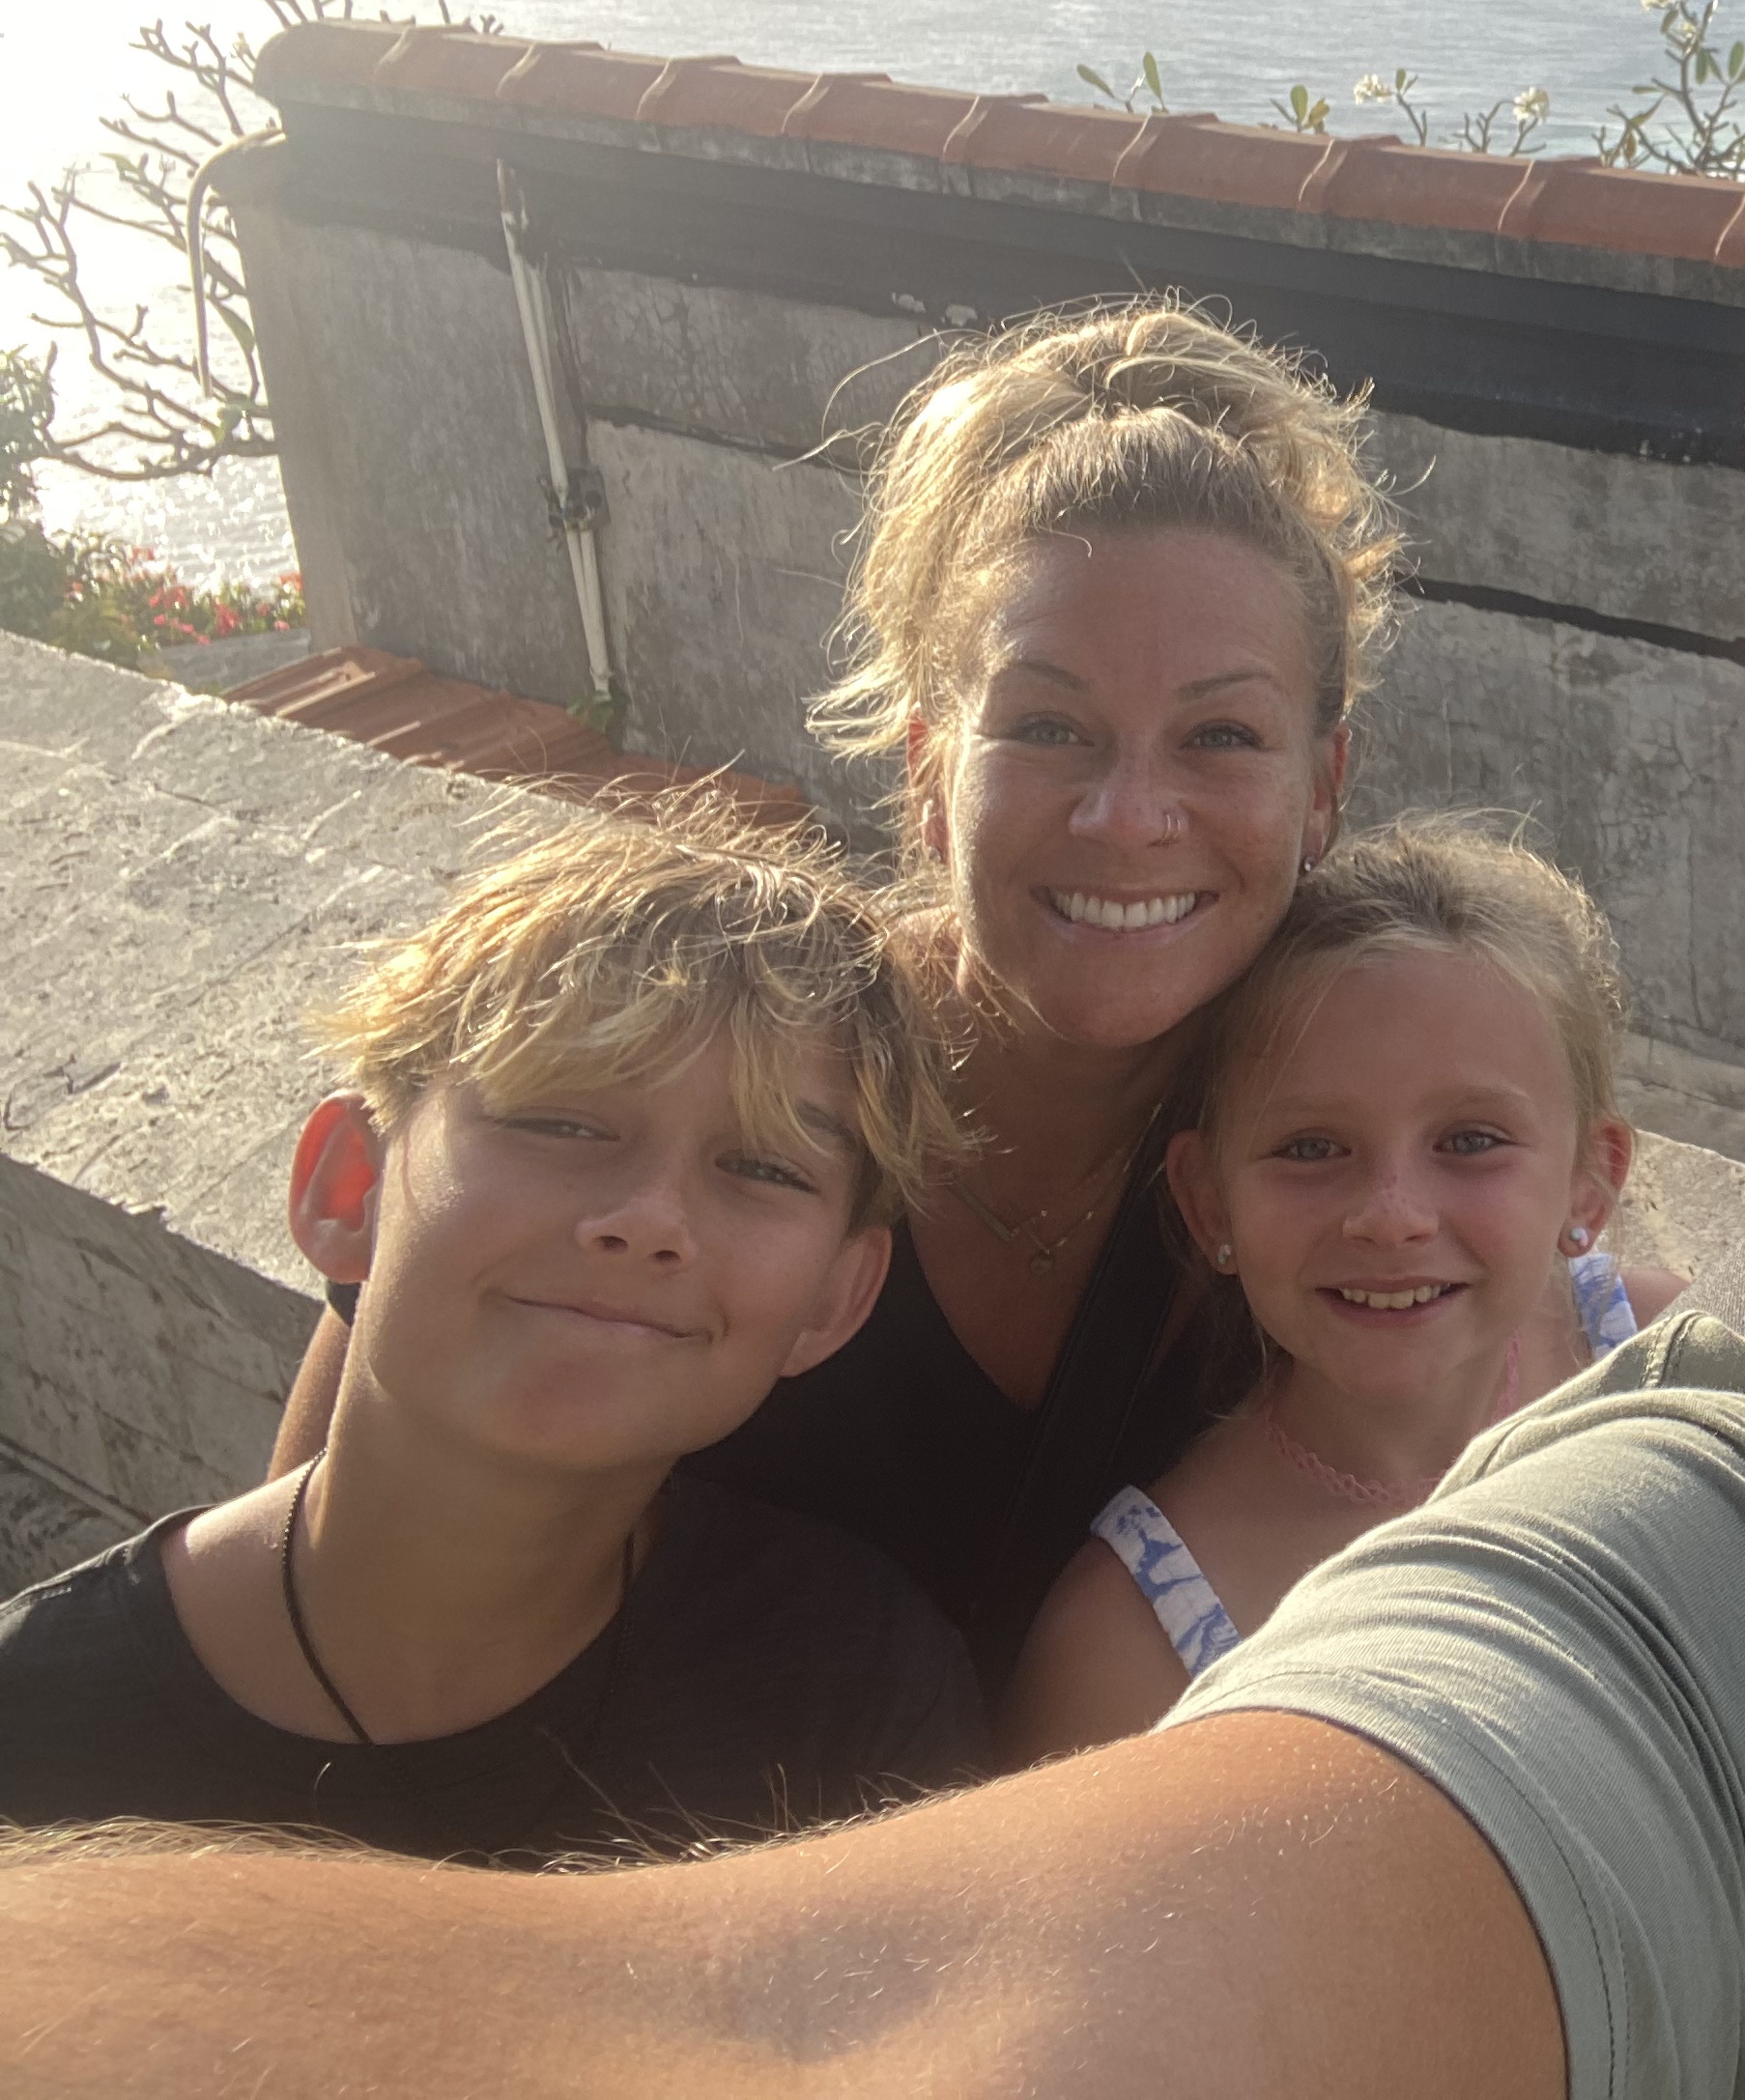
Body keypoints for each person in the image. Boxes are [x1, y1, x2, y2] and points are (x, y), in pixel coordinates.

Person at [0, 121, 1745, 2097]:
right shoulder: (754, 1111)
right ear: (921, 750)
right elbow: (399, 1505)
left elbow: (1593, 1329)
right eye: (1046, 729)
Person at [265, 300, 1405, 1684]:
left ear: (1323, 789)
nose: (1127, 815)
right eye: (1047, 726)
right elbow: (327, 1575)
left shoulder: (1366, 1150)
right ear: (928, 771)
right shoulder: (721, 1071)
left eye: (1220, 736)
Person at [0, 807, 986, 1863]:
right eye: (559, 1121)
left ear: (836, 1297)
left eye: (763, 1168)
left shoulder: (853, 1698)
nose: (650, 1218)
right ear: (351, 1187)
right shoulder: (37, 1731)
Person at [1000, 817, 1683, 1759]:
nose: (1391, 1217)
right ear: (1209, 1203)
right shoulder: (1135, 1644)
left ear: (1589, 1181)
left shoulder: (1678, 1373)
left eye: (1470, 1141)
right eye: (1311, 1148)